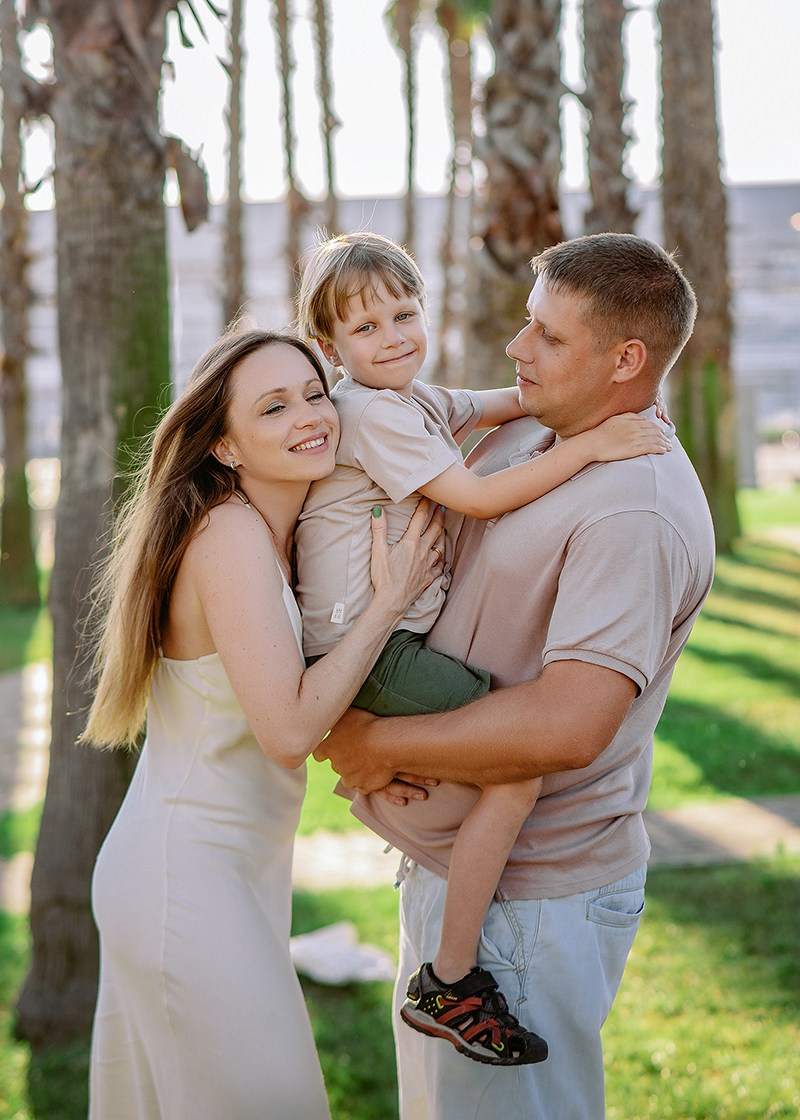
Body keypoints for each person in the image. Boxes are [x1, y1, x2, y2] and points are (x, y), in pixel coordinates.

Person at [316, 232, 716, 1119]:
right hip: (462, 883)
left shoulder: (632, 509)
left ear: (627, 360)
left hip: (528, 911)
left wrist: (373, 740)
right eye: (524, 325)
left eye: (548, 336)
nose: (516, 349)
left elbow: (567, 729)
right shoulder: (535, 427)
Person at [82, 328, 445, 1120]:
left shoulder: (281, 534)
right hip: (184, 875)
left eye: (315, 393)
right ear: (226, 445)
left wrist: (370, 752)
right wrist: (390, 602)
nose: (310, 416)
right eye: (273, 407)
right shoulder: (230, 536)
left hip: (227, 870)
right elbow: (285, 731)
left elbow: (283, 710)